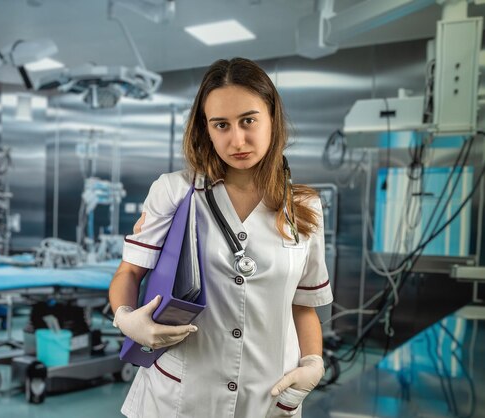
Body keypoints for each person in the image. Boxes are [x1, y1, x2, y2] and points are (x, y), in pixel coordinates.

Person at [109, 57, 333, 418]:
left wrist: (312, 362)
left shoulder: (304, 207)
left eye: (248, 120)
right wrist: (126, 318)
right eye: (221, 125)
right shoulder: (175, 191)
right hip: (180, 397)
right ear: (206, 129)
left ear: (272, 117)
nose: (237, 140)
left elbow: (303, 303)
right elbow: (129, 273)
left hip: (268, 396)